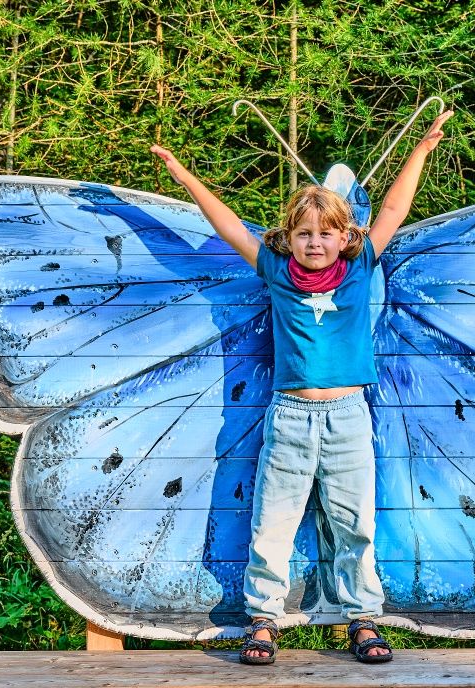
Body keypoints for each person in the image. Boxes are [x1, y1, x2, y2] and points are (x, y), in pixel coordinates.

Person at [150, 108, 452, 665]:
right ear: (289, 238)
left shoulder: (360, 268)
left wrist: (422, 150)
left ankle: (362, 618)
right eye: (305, 233)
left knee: (355, 522)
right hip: (289, 415)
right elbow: (229, 226)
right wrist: (183, 175)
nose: (315, 242)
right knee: (273, 521)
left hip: (348, 414)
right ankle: (263, 619)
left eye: (326, 233)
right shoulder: (276, 269)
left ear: (345, 236)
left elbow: (392, 208)